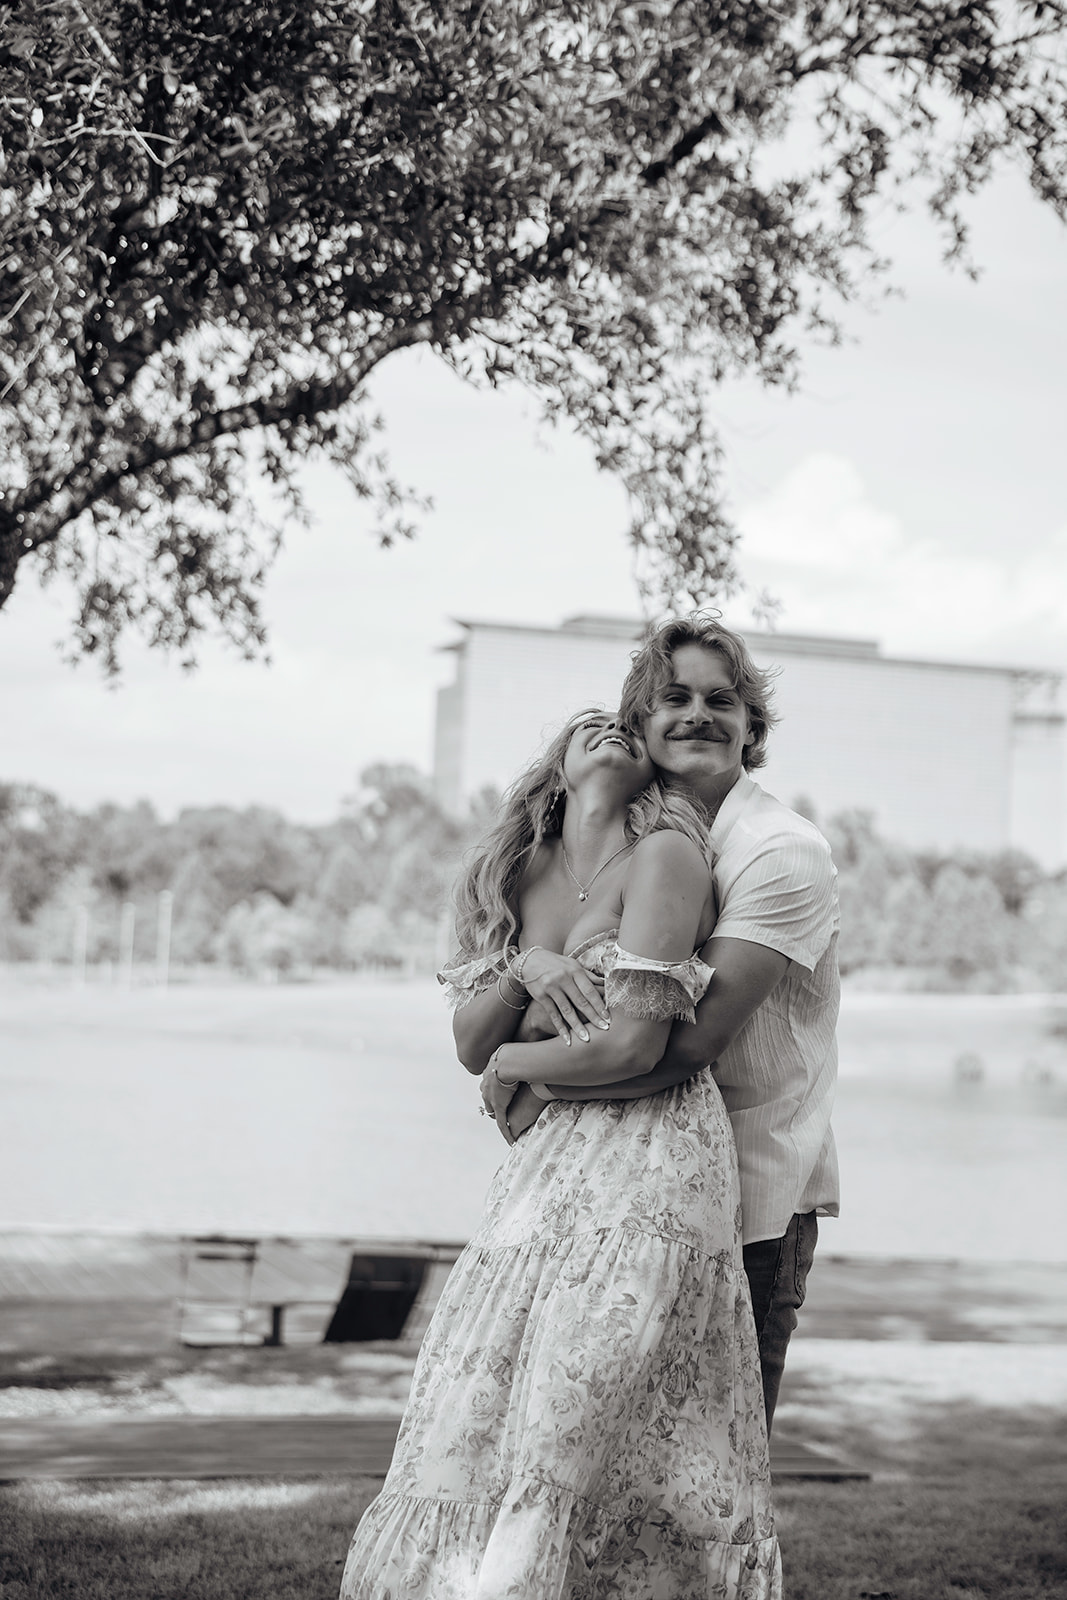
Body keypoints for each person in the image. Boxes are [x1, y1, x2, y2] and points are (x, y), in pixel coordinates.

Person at [339, 708, 782, 1600]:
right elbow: (468, 1042)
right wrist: (527, 970)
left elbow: (629, 1049)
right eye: (588, 725)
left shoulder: (666, 853)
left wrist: (517, 1065)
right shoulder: (520, 870)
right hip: (543, 1168)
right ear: (556, 766)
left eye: (619, 725)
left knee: (588, 1406)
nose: (607, 732)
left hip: (652, 1151)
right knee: (486, 1397)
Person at [488, 615, 840, 1429]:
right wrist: (530, 969)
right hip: (612, 1203)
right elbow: (543, 971)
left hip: (747, 1206)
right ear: (639, 721)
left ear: (751, 728)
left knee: (708, 1476)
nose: (697, 715)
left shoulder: (779, 852)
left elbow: (685, 1046)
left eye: (722, 701)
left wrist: (519, 1074)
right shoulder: (632, 841)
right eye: (672, 697)